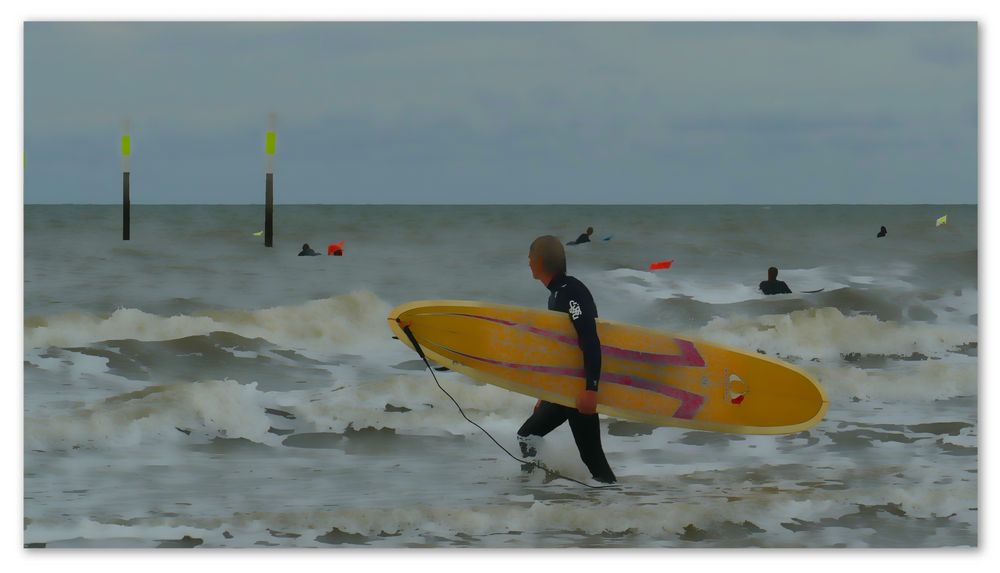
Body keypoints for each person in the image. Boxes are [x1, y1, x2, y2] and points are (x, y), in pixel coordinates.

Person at [517, 235, 617, 484]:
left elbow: (589, 338)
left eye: (530, 258)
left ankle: (614, 508)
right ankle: (536, 485)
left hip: (579, 389)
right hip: (568, 388)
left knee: (593, 460)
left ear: (539, 261)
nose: (528, 263)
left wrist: (590, 389)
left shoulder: (569, 294)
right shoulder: (558, 293)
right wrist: (547, 392)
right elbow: (565, 350)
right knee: (528, 436)